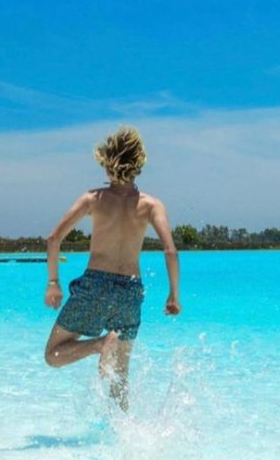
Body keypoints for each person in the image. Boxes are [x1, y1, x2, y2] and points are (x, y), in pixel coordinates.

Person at [43, 126, 181, 411]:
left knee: (53, 354)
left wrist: (53, 282)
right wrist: (173, 295)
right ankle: (123, 432)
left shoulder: (93, 199)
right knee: (121, 377)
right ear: (139, 163)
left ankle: (98, 345)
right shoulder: (151, 205)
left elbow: (54, 238)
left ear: (107, 163)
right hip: (130, 291)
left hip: (95, 286)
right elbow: (170, 251)